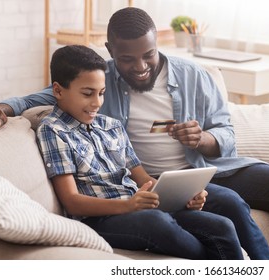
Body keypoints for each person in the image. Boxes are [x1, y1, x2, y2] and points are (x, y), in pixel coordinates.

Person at [0, 7, 269, 259]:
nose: (140, 66)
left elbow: (227, 133)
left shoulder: (194, 75)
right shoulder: (98, 79)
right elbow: (41, 97)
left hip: (206, 168)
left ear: (157, 44)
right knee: (220, 213)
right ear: (110, 50)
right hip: (153, 181)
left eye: (148, 54)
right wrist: (4, 108)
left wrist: (203, 139)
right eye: (127, 59)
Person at [35, 44, 246, 260]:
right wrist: (127, 205)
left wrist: (185, 197)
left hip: (137, 208)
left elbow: (143, 178)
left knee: (222, 225)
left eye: (102, 93)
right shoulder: (53, 130)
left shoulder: (112, 126)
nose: (97, 103)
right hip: (99, 219)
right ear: (58, 90)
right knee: (157, 222)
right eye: (88, 94)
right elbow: (71, 201)